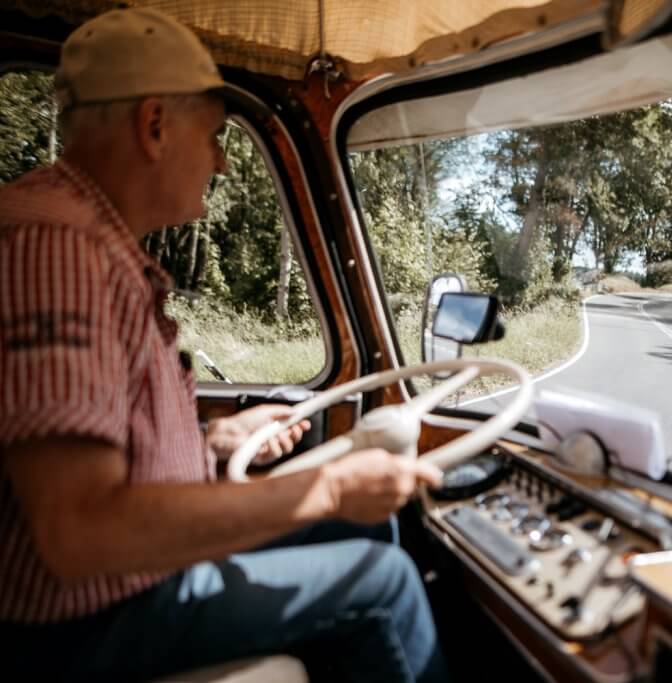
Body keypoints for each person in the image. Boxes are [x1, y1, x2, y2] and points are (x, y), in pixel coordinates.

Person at [0, 7, 447, 682]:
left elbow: (97, 443)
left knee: (369, 529)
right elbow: (81, 527)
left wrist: (212, 442)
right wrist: (327, 486)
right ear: (154, 126)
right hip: (80, 626)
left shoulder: (91, 242)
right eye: (213, 135)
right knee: (384, 580)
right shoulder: (62, 250)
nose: (221, 161)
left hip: (116, 591)